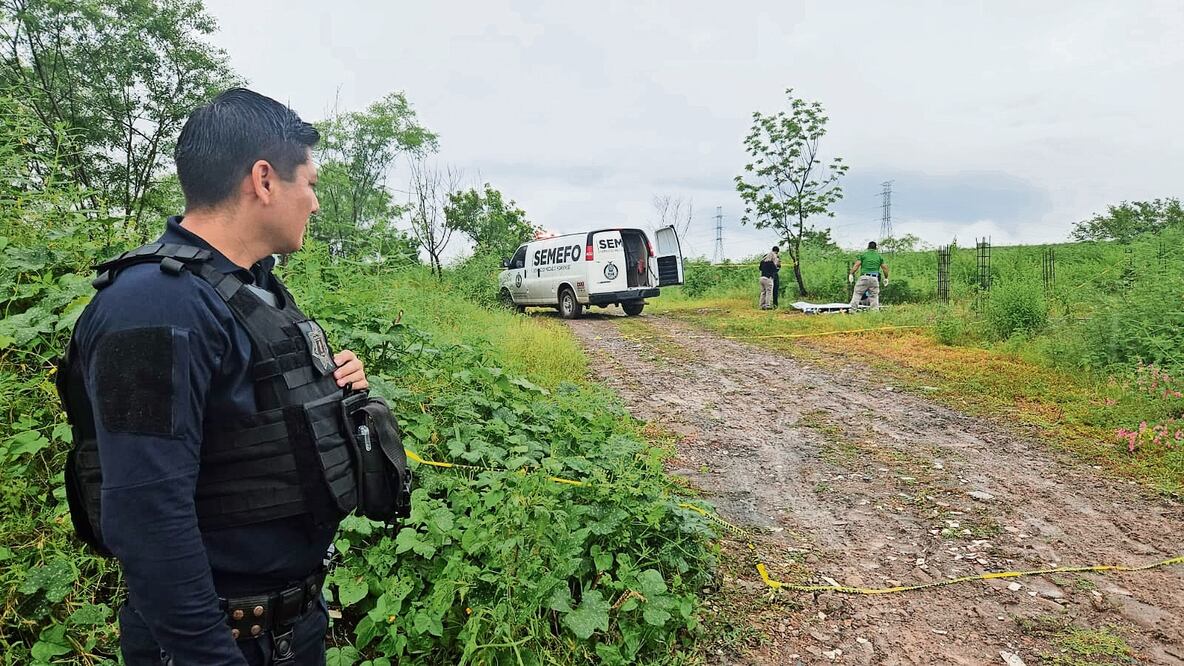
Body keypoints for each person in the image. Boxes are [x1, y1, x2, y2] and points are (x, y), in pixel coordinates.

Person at [56, 89, 368, 665]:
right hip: (214, 645)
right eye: (312, 183)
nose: (316, 203)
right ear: (265, 180)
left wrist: (332, 386)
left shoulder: (251, 288)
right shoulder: (152, 304)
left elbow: (253, 419)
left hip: (290, 629)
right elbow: (147, 518)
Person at [848, 241, 889, 310]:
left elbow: (856, 265)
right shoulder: (879, 256)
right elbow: (884, 268)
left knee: (857, 294)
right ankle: (874, 312)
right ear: (876, 248)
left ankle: (852, 310)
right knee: (874, 297)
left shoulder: (863, 255)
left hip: (864, 277)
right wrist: (886, 278)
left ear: (868, 247)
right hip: (874, 278)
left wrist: (851, 273)